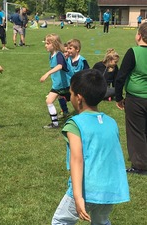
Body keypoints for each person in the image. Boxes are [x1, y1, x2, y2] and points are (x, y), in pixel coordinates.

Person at [52, 69, 130, 224]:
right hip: (110, 189)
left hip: (87, 189)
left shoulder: (75, 124)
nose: (70, 97)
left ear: (79, 98)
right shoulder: (111, 122)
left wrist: (78, 196)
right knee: (101, 222)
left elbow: (77, 160)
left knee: (60, 221)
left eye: (71, 93)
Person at [115, 22, 147, 175]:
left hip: (136, 99)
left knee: (136, 132)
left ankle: (140, 166)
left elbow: (120, 77)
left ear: (139, 35)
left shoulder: (133, 52)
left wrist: (118, 97)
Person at [40, 34, 70, 129]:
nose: (46, 45)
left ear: (54, 44)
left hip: (63, 84)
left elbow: (60, 66)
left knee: (49, 101)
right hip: (59, 84)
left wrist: (47, 73)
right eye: (45, 43)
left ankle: (56, 124)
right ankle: (65, 112)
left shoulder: (59, 54)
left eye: (48, 43)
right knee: (59, 97)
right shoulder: (51, 55)